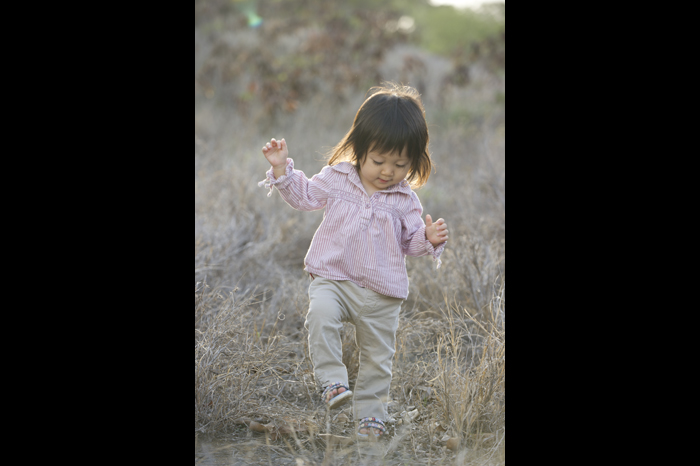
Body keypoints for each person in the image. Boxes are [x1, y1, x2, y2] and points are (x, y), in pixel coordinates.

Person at [259, 84, 449, 440]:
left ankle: (371, 418)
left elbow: (411, 242)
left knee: (378, 358)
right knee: (320, 314)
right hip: (334, 279)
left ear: (414, 162)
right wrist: (282, 169)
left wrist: (429, 239)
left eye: (400, 164)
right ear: (359, 149)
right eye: (378, 161)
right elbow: (304, 196)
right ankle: (332, 381)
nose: (387, 171)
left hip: (381, 296)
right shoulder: (337, 178)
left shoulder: (405, 201)